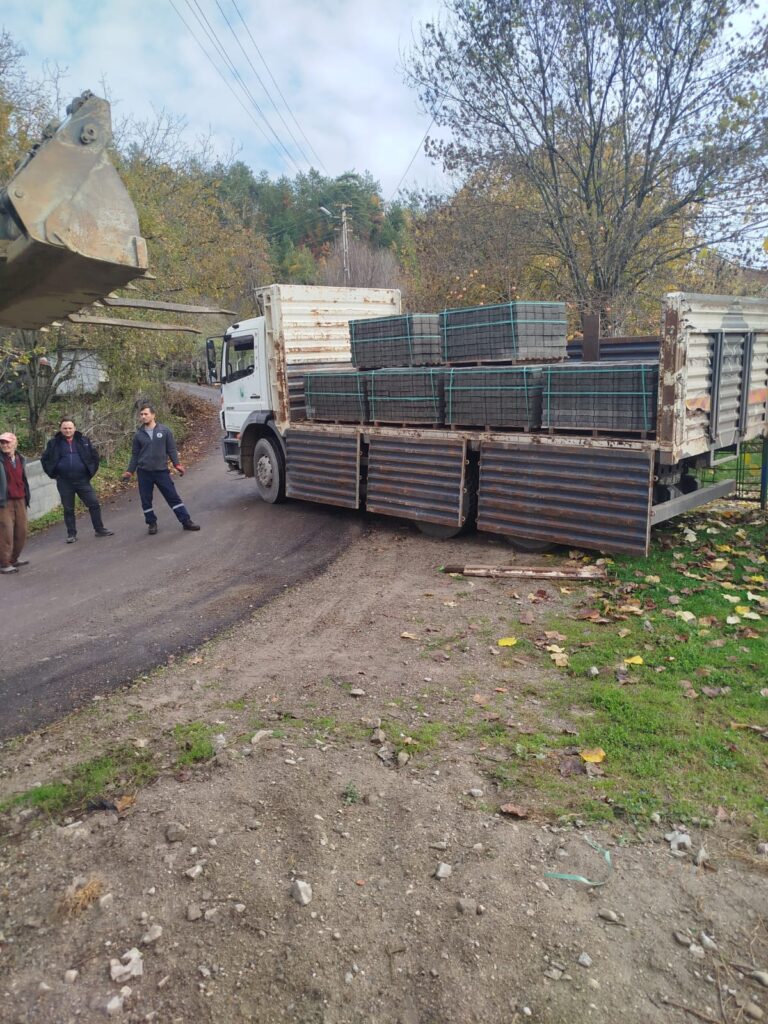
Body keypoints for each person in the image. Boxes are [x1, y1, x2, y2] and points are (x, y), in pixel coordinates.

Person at [122, 403, 200, 535]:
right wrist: (130, 471)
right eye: (141, 414)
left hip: (161, 471)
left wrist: (177, 464)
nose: (143, 416)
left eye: (146, 414)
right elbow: (135, 455)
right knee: (146, 500)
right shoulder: (138, 435)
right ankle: (151, 523)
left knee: (173, 497)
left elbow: (171, 449)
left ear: (153, 415)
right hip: (144, 472)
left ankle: (186, 521)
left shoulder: (164, 431)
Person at [41, 417, 114, 544]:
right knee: (68, 509)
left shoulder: (83, 441)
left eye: (70, 428)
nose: (67, 430)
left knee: (94, 504)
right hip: (64, 481)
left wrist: (89, 473)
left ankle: (99, 529)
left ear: (74, 428)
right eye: (65, 428)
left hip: (82, 480)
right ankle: (71, 534)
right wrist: (53, 474)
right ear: (61, 429)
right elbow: (45, 459)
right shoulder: (53, 443)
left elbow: (94, 457)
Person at [0, 431, 30, 574]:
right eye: (2, 442)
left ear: (15, 443)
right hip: (4, 501)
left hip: (20, 498)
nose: (5, 445)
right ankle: (4, 563)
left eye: (7, 442)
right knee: (6, 532)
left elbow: (23, 478)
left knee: (21, 530)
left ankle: (14, 558)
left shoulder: (20, 458)